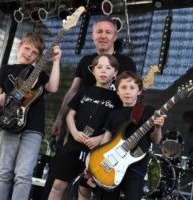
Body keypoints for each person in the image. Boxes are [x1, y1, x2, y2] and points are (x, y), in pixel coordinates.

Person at [0, 32, 61, 200]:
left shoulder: (38, 74)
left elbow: (53, 88)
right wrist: (7, 98)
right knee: (4, 171)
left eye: (34, 52)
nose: (29, 53)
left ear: (38, 56)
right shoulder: (7, 69)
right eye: (27, 48)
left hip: (33, 128)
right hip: (10, 122)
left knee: (24, 174)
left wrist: (57, 61)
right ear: (19, 46)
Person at [48, 54, 122, 200]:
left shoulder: (117, 99)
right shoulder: (84, 91)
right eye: (99, 67)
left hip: (95, 151)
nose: (103, 71)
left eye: (108, 68)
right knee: (57, 186)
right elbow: (70, 115)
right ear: (93, 71)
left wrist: (99, 139)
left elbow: (116, 128)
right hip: (74, 145)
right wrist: (74, 132)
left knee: (85, 189)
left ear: (115, 73)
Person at [86, 71, 167, 200]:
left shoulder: (148, 111)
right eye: (123, 88)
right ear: (117, 91)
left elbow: (156, 140)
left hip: (135, 167)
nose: (127, 91)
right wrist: (95, 169)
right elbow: (105, 142)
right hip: (110, 167)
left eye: (132, 88)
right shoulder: (114, 114)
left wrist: (158, 127)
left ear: (139, 91)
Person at [51, 17, 136, 137]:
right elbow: (73, 91)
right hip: (79, 127)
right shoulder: (85, 61)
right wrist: (60, 117)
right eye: (99, 31)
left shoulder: (127, 63)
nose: (103, 36)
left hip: (109, 129)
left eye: (108, 32)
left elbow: (133, 94)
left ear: (115, 37)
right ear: (93, 35)